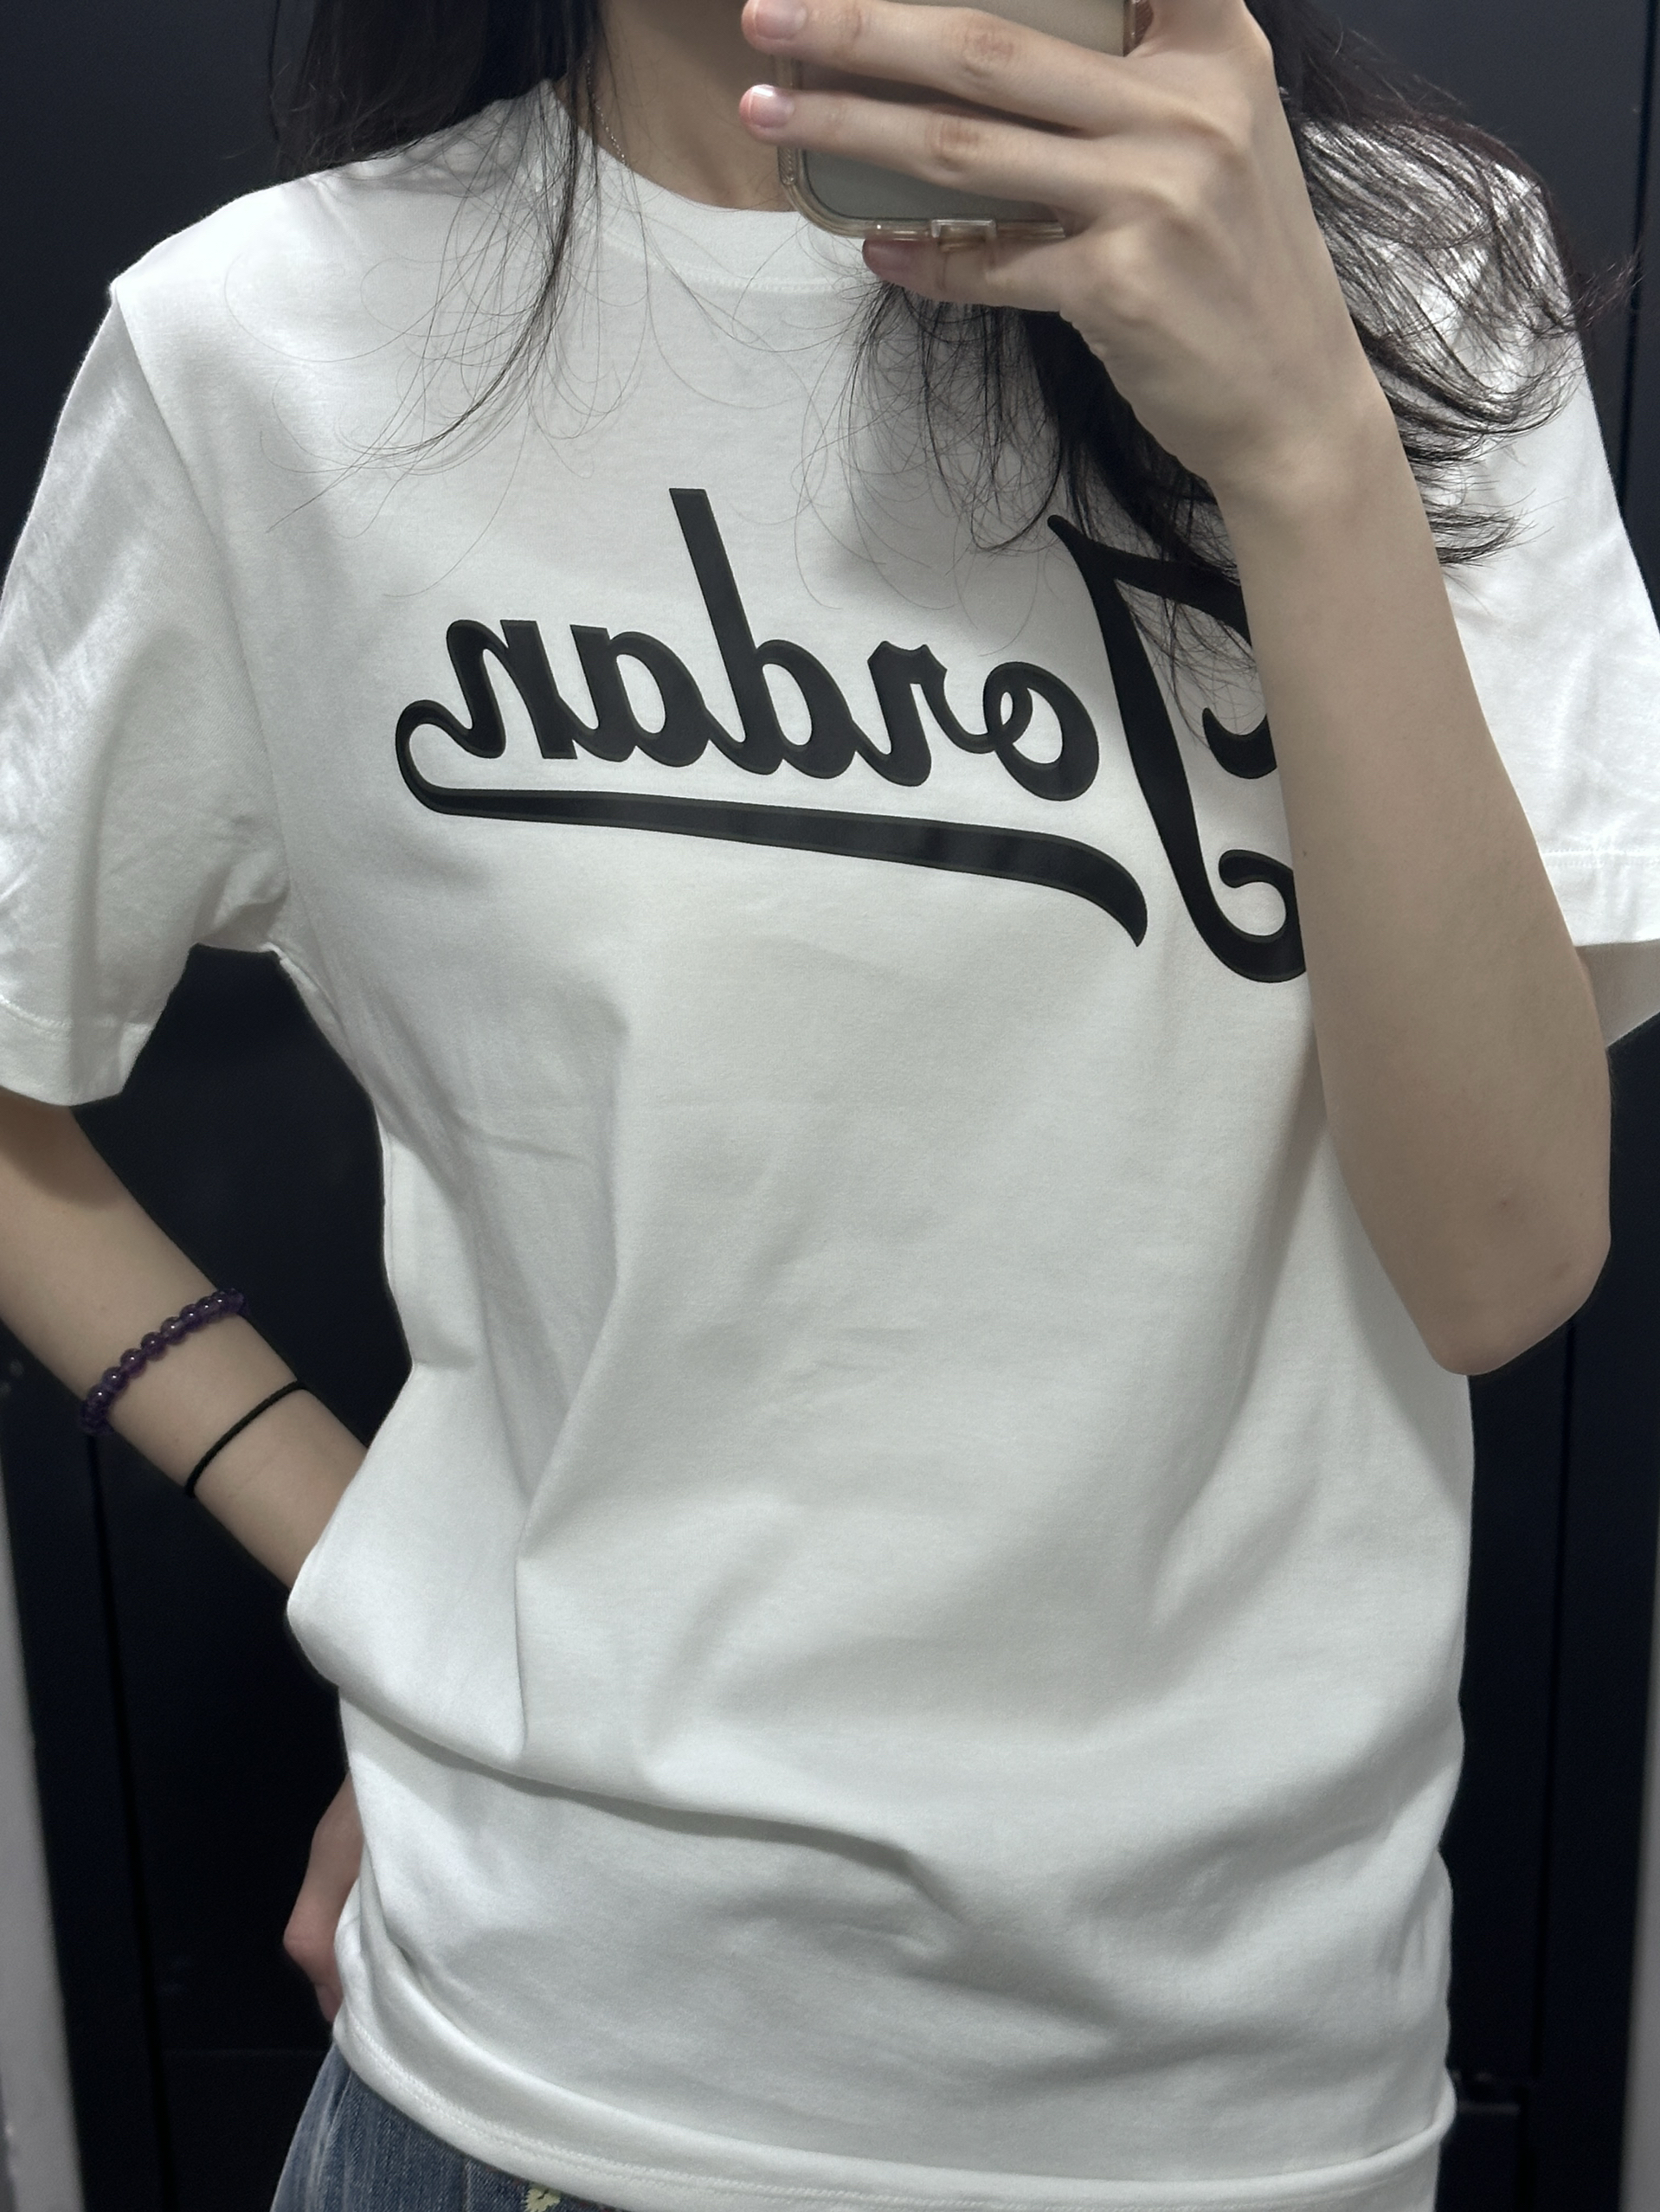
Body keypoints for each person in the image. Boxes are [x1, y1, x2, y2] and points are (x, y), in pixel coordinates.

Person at [2, 0, 1657, 2206]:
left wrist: (1299, 438)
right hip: (523, 2077)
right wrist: (372, 1574)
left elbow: (1500, 1259)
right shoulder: (267, 347)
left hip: (1232, 2106)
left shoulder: (1411, 272)